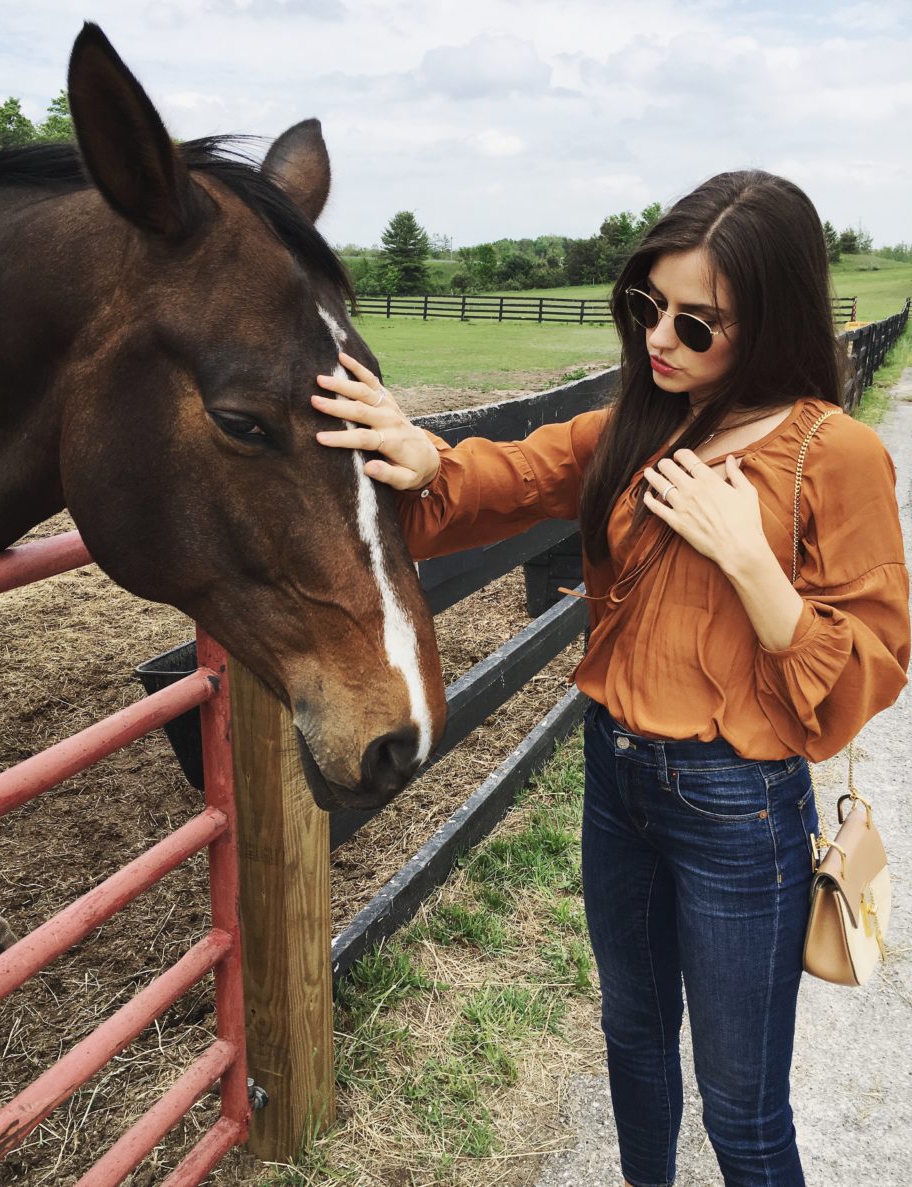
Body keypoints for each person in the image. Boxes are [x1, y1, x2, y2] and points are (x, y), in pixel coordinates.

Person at [311, 170, 910, 1187]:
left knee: (741, 1104)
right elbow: (508, 475)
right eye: (645, 304)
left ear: (767, 323)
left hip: (737, 805)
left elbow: (870, 664)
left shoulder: (833, 455)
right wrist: (419, 451)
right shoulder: (631, 424)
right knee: (631, 1035)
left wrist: (749, 560)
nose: (658, 338)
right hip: (616, 777)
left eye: (695, 321)